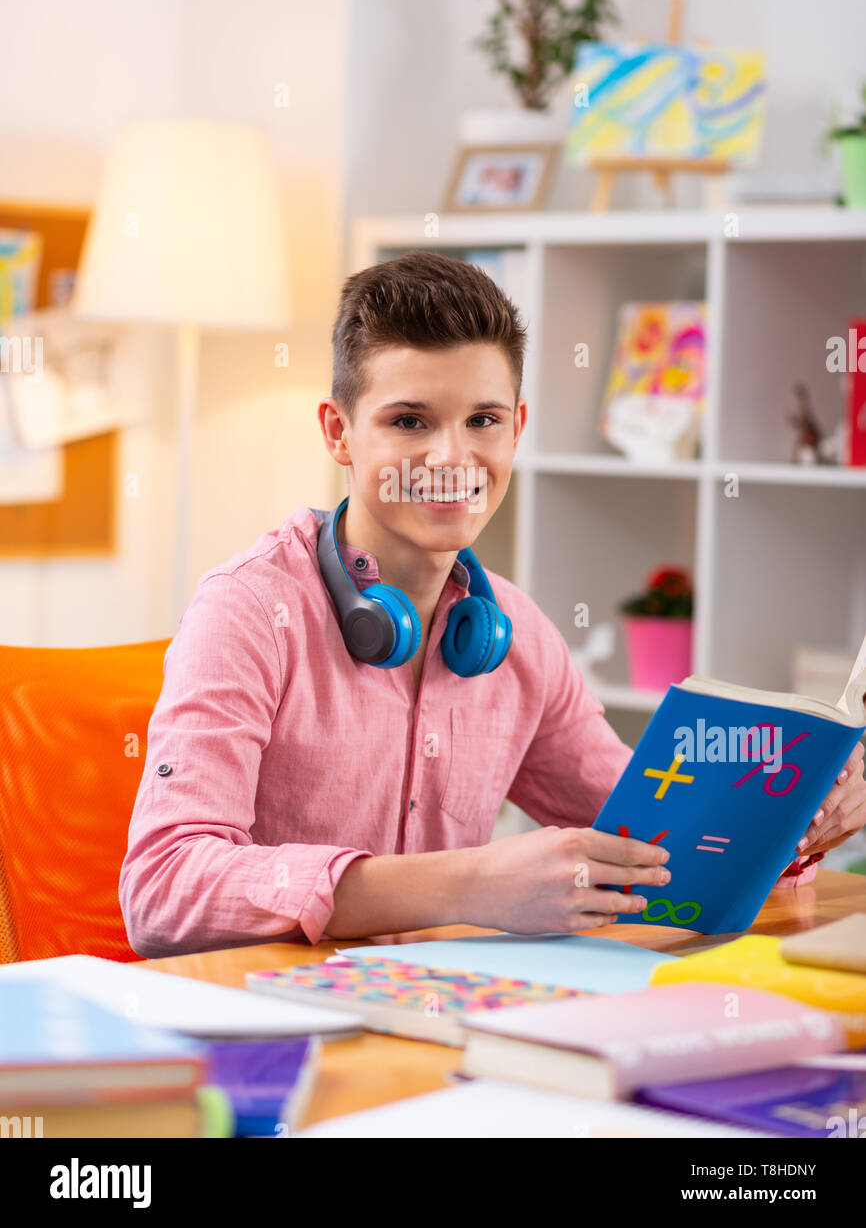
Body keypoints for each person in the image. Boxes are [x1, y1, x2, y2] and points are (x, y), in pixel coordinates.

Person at [119, 251, 865, 957]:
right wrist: (470, 885)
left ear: (519, 427)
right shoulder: (248, 610)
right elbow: (162, 888)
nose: (452, 458)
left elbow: (656, 844)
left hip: (437, 1019)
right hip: (268, 1018)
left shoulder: (516, 634)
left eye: (483, 420)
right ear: (338, 432)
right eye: (409, 421)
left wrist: (797, 819)